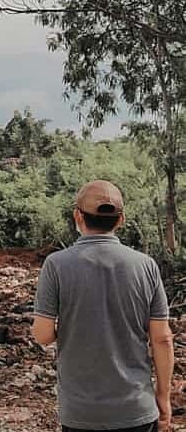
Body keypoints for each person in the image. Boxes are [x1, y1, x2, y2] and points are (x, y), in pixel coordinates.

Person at [32, 180, 174, 432]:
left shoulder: (56, 265)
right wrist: (163, 397)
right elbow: (161, 339)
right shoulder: (146, 266)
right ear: (120, 220)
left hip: (80, 414)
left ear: (77, 216)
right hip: (137, 411)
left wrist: (74, 326)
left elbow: (42, 335)